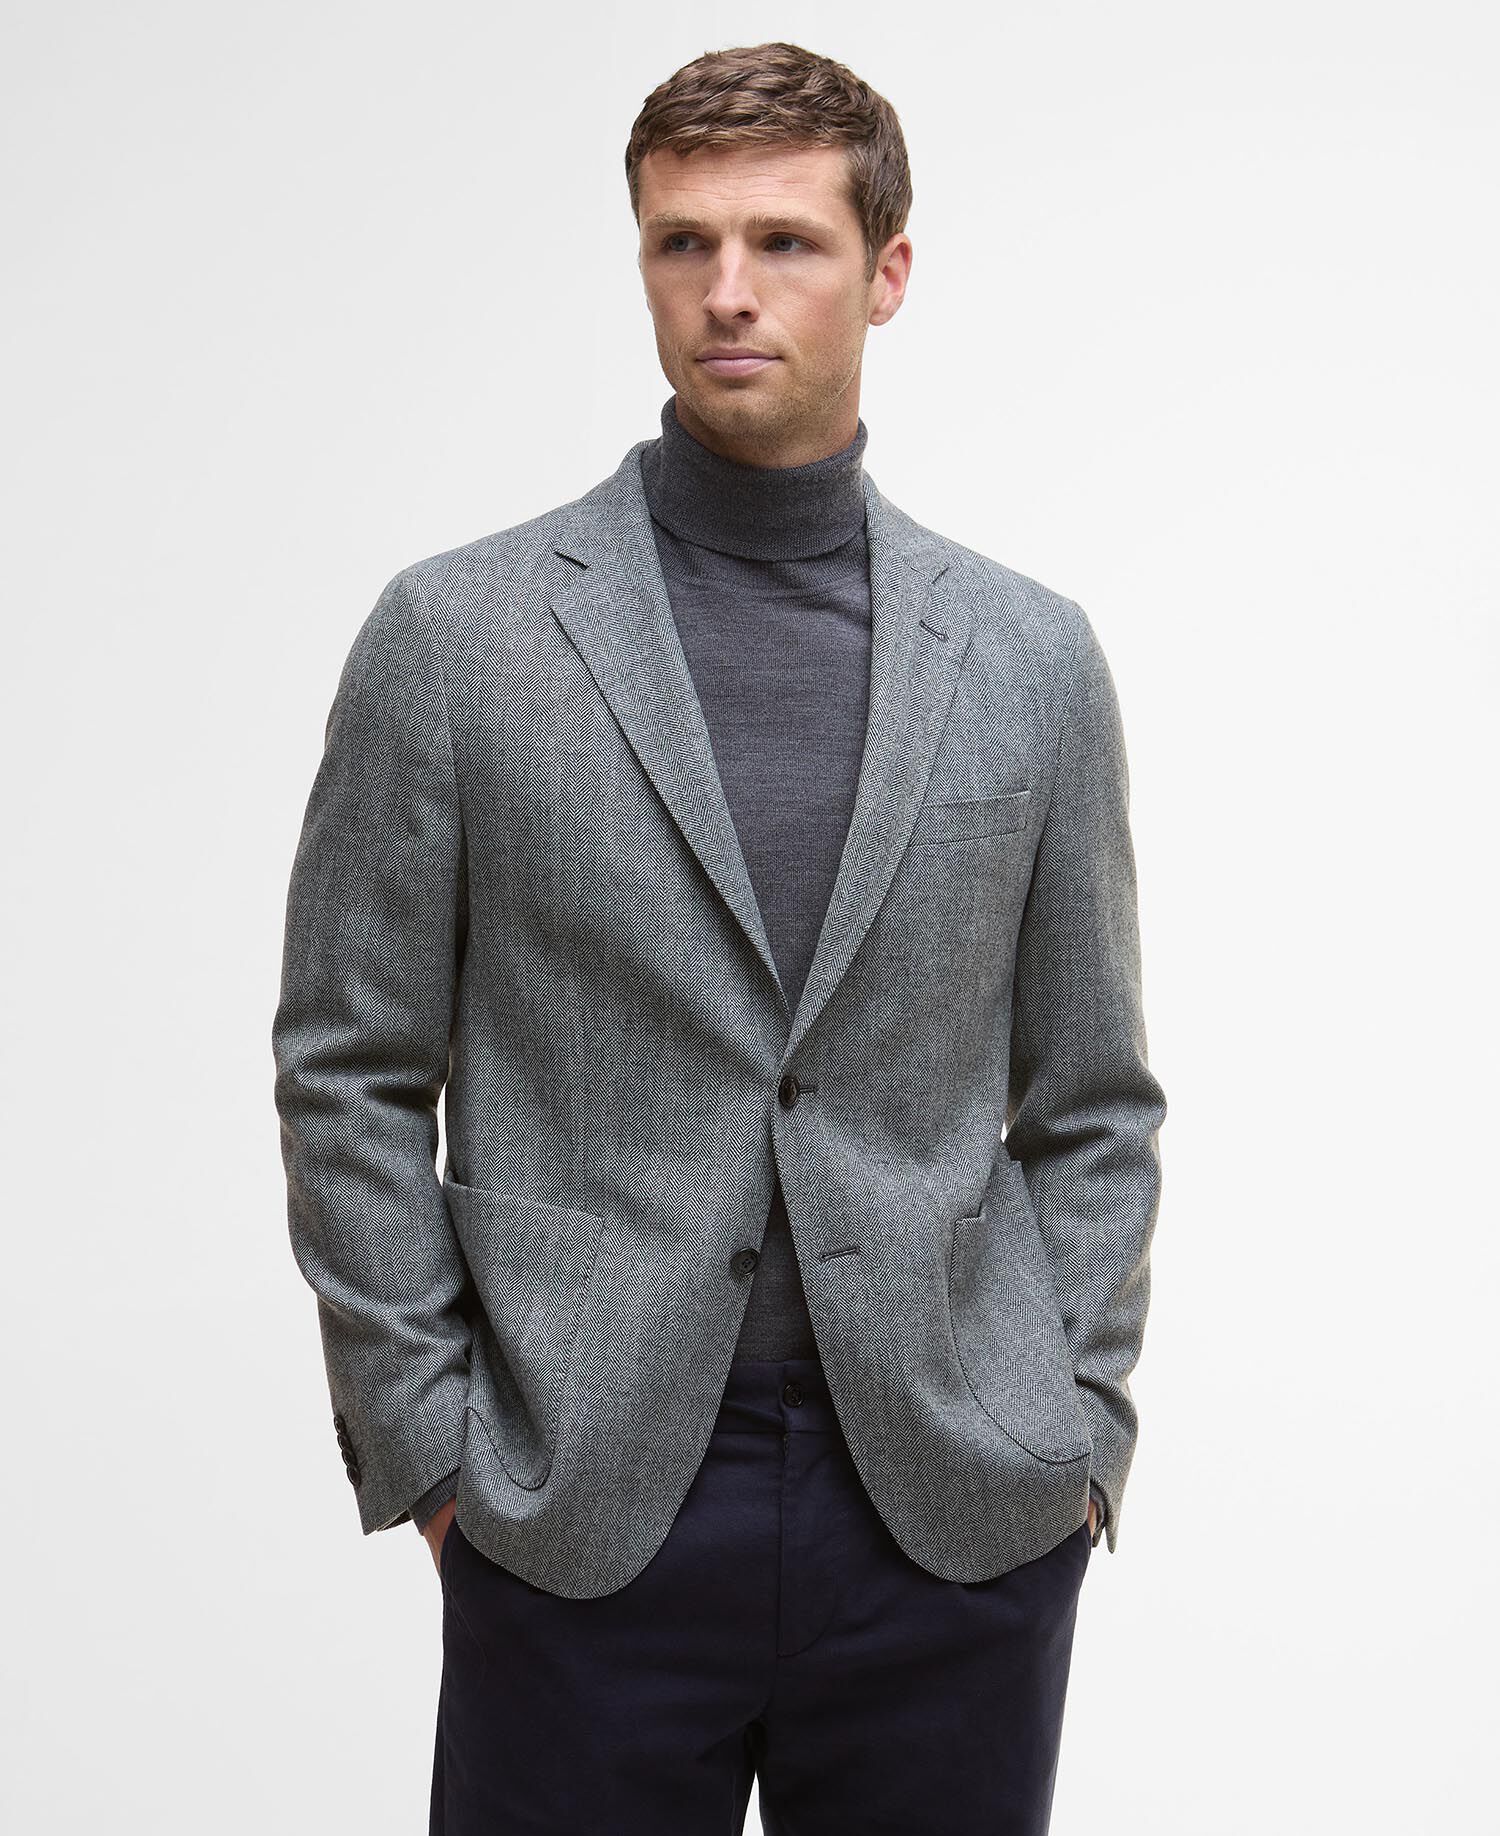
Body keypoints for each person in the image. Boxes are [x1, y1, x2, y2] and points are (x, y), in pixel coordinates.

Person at [272, 38, 1167, 1836]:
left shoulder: (1031, 659)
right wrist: (438, 1453)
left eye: (785, 242)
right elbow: (346, 1069)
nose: (728, 291)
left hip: (952, 1514)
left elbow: (1092, 1100)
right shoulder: (457, 638)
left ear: (887, 273)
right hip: (578, 1506)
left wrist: (1072, 1434)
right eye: (683, 243)